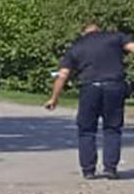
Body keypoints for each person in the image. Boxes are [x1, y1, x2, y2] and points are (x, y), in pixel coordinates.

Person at [46, 20, 134, 179]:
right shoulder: (115, 37)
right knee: (112, 128)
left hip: (90, 88)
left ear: (83, 32)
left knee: (86, 129)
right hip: (114, 85)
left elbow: (62, 75)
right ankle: (110, 168)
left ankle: (88, 170)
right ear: (99, 29)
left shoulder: (77, 46)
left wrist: (54, 98)